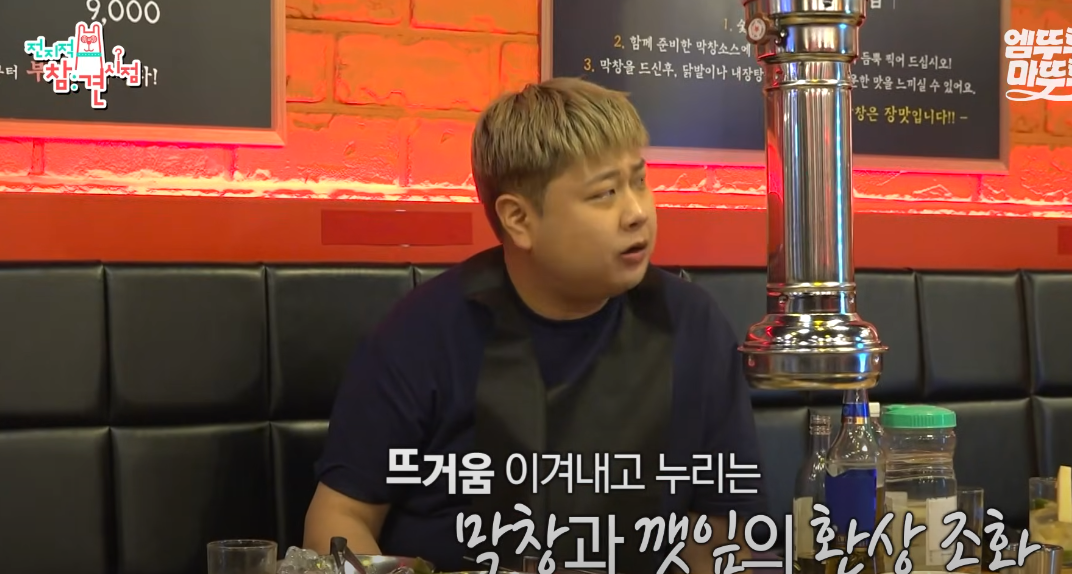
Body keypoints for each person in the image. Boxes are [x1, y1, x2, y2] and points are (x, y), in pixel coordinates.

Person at [303, 77, 768, 573]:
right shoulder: (421, 334)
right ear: (519, 220)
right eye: (605, 193)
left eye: (638, 181)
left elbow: (723, 527)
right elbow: (340, 517)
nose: (637, 213)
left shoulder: (693, 324)